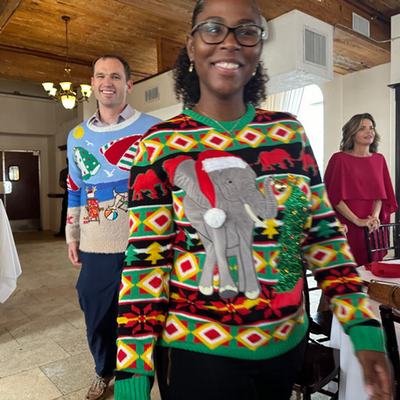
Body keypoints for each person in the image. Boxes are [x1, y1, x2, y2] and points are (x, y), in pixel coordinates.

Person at [115, 1, 392, 399]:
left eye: (246, 31)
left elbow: (321, 237)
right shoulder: (158, 146)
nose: (229, 43)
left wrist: (361, 325)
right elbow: (146, 259)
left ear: (258, 47)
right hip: (197, 352)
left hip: (284, 345)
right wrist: (132, 372)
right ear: (191, 46)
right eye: (213, 29)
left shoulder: (288, 133)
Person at [66, 54, 160, 400]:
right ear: (92, 84)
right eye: (101, 75)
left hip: (145, 240)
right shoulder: (77, 136)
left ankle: (134, 382)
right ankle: (103, 370)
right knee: (93, 305)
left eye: (116, 76)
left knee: (141, 314)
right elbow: (75, 188)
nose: (108, 82)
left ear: (129, 85)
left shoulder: (152, 126)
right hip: (96, 242)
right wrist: (72, 235)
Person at [324, 113, 398, 267]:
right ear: (352, 133)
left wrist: (374, 218)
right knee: (344, 274)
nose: (369, 131)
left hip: (371, 227)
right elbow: (334, 197)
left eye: (371, 128)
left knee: (373, 275)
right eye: (362, 128)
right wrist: (357, 221)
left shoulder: (379, 159)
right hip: (347, 225)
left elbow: (380, 195)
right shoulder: (339, 159)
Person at [54, 159, 68, 237]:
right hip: (77, 193)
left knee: (65, 212)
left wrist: (67, 187)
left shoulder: (63, 172)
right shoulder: (78, 171)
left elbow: (61, 184)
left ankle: (63, 231)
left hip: (68, 192)